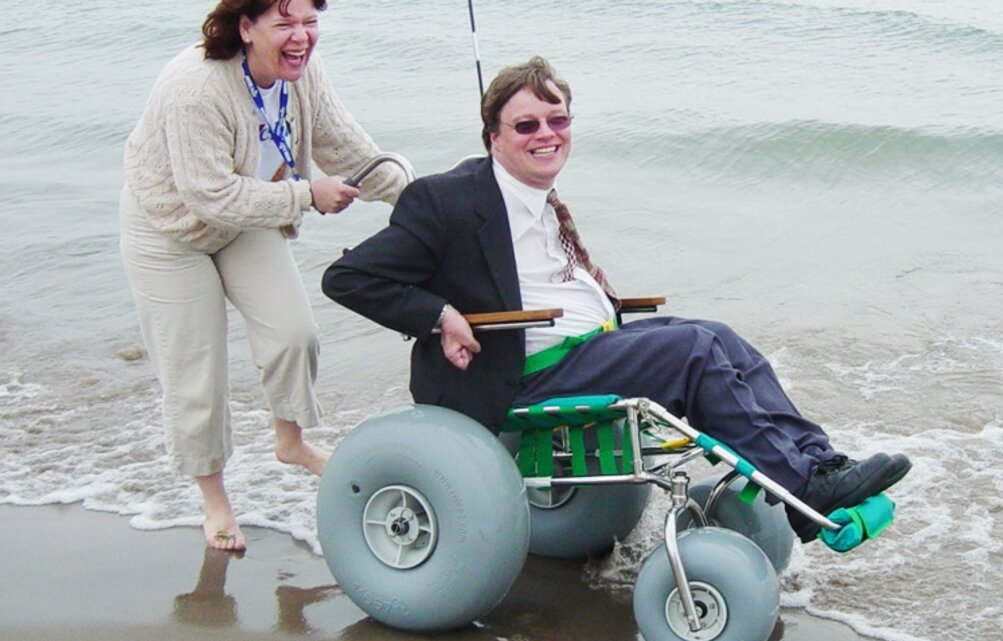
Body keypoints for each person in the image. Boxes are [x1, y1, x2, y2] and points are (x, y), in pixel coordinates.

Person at [321, 56, 910, 543]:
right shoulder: (446, 200)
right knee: (693, 351)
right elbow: (348, 279)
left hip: (584, 346)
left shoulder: (537, 194)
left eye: (557, 119)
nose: (546, 134)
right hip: (516, 372)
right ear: (494, 137)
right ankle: (805, 492)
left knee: (721, 337)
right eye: (526, 125)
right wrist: (442, 316)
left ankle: (820, 465)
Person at [119, 0, 408, 552]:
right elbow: (209, 193)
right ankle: (215, 500)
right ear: (246, 27)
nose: (301, 37)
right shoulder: (195, 87)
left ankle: (290, 443)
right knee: (196, 371)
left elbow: (344, 146)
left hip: (249, 213)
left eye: (310, 22)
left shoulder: (302, 73)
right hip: (168, 228)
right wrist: (307, 196)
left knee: (294, 333)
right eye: (285, 23)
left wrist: (418, 197)